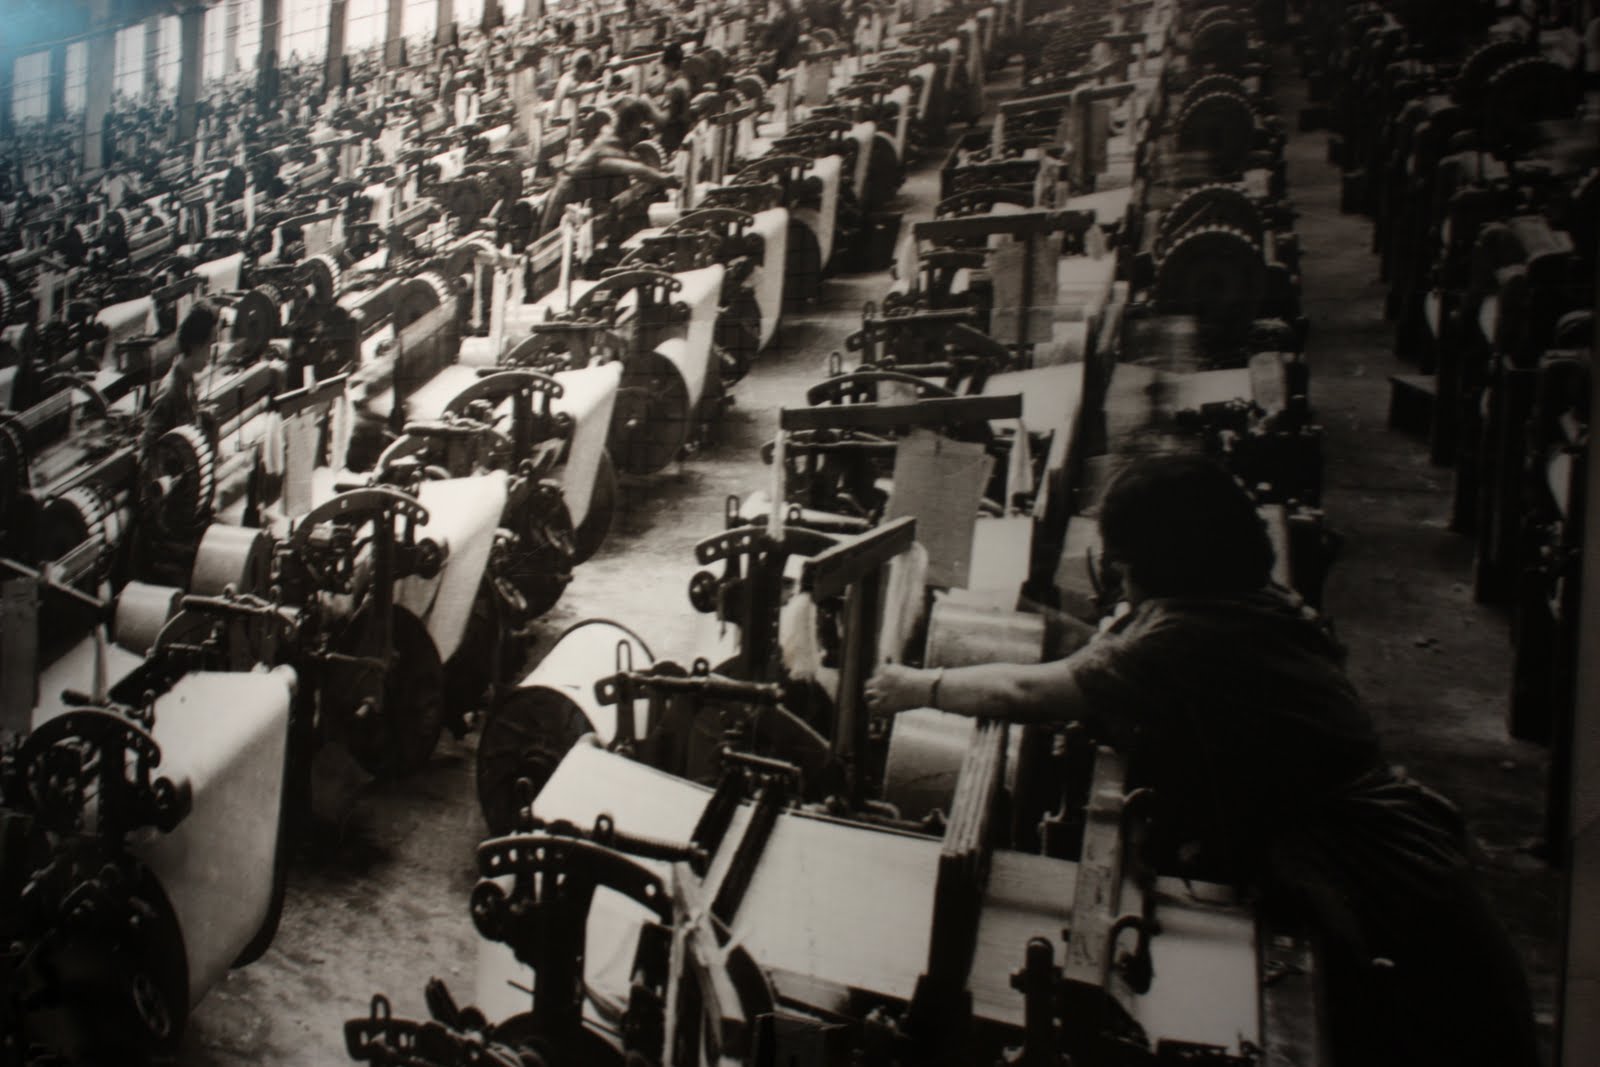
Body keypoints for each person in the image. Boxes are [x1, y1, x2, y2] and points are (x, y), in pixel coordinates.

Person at [864, 455, 1540, 1067]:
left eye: (1122, 564)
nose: (1116, 579)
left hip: (1364, 870)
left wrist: (918, 687)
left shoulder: (1185, 636)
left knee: (1405, 1032)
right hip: (1390, 837)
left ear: (1157, 562)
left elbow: (1029, 691)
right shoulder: (1245, 598)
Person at [537, 98, 680, 237]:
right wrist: (665, 179)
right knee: (546, 240)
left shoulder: (609, 133)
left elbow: (632, 160)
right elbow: (638, 170)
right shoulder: (608, 148)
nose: (639, 133)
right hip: (564, 192)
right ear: (631, 128)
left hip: (573, 191)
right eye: (638, 127)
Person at [137, 302, 217, 467]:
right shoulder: (170, 393)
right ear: (195, 346)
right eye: (209, 347)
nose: (210, 356)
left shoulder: (187, 381)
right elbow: (146, 454)